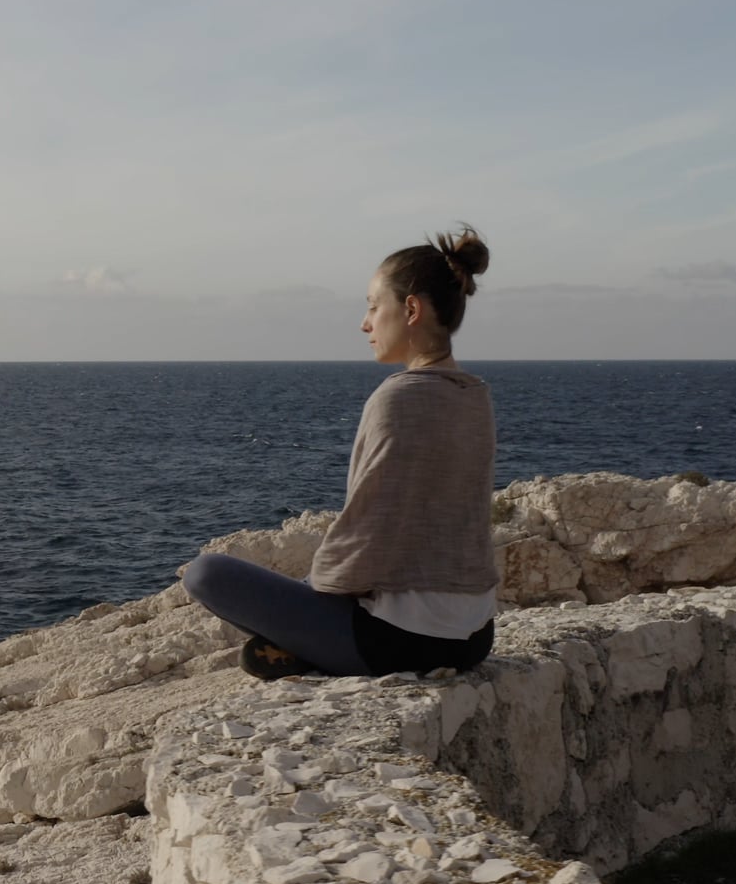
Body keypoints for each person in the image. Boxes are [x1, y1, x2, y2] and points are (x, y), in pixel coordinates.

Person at [181, 225, 499, 679]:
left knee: (205, 573)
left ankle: (307, 650)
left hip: (399, 644)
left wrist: (311, 595)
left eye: (373, 306)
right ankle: (306, 649)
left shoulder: (397, 398)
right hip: (474, 640)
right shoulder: (475, 395)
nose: (365, 323)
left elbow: (368, 531)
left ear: (410, 309)